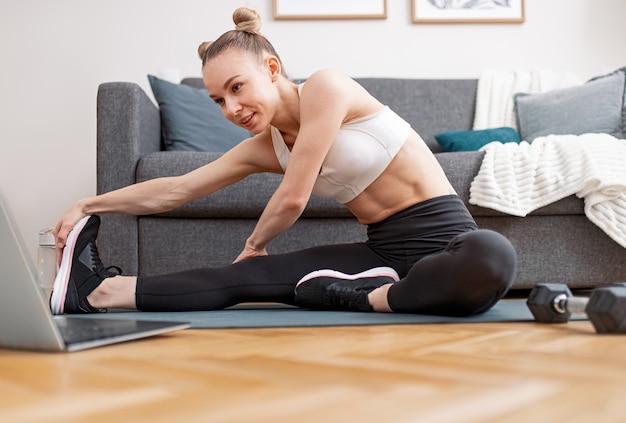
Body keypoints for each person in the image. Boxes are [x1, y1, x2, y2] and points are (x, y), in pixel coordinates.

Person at [51, 7, 517, 316]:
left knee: (493, 255)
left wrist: (255, 243)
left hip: (449, 242)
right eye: (217, 100)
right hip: (382, 253)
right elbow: (177, 188)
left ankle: (371, 298)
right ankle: (96, 293)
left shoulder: (326, 88)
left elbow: (293, 197)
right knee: (243, 281)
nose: (230, 109)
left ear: (271, 70)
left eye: (237, 88)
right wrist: (90, 205)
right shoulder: (264, 146)